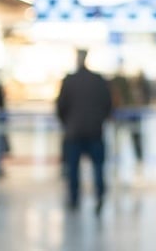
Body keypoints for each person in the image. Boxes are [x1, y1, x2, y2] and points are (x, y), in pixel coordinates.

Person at [55, 49, 112, 215]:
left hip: (74, 131)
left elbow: (60, 106)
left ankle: (74, 199)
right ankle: (99, 195)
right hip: (95, 130)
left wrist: (67, 123)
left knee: (73, 168)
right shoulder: (98, 80)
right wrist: (100, 119)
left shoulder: (69, 81)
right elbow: (108, 104)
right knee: (98, 166)